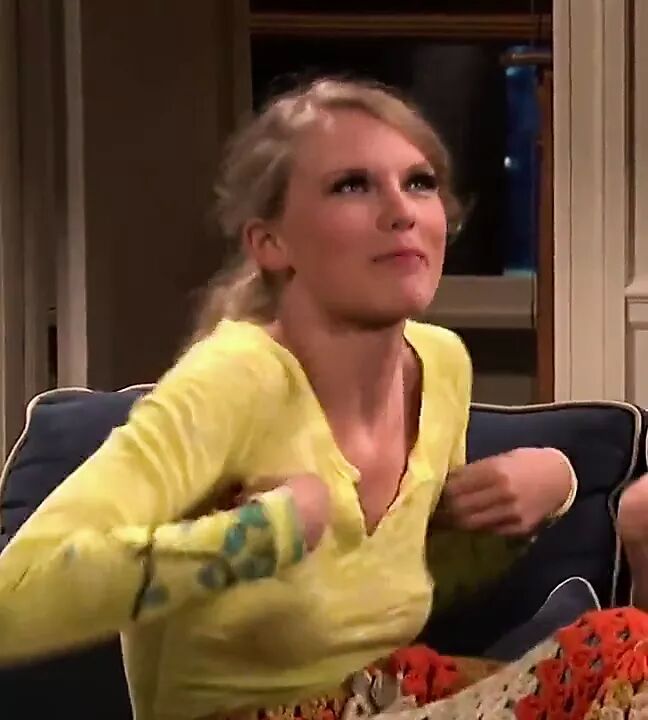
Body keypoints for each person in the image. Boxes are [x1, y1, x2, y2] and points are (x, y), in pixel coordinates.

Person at [0, 77, 637, 720]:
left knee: (627, 653)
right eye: (352, 185)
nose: (401, 211)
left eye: (419, 183)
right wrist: (257, 536)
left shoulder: (441, 363)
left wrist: (539, 495)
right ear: (270, 242)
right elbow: (16, 599)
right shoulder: (235, 381)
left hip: (386, 697)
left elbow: (385, 592)